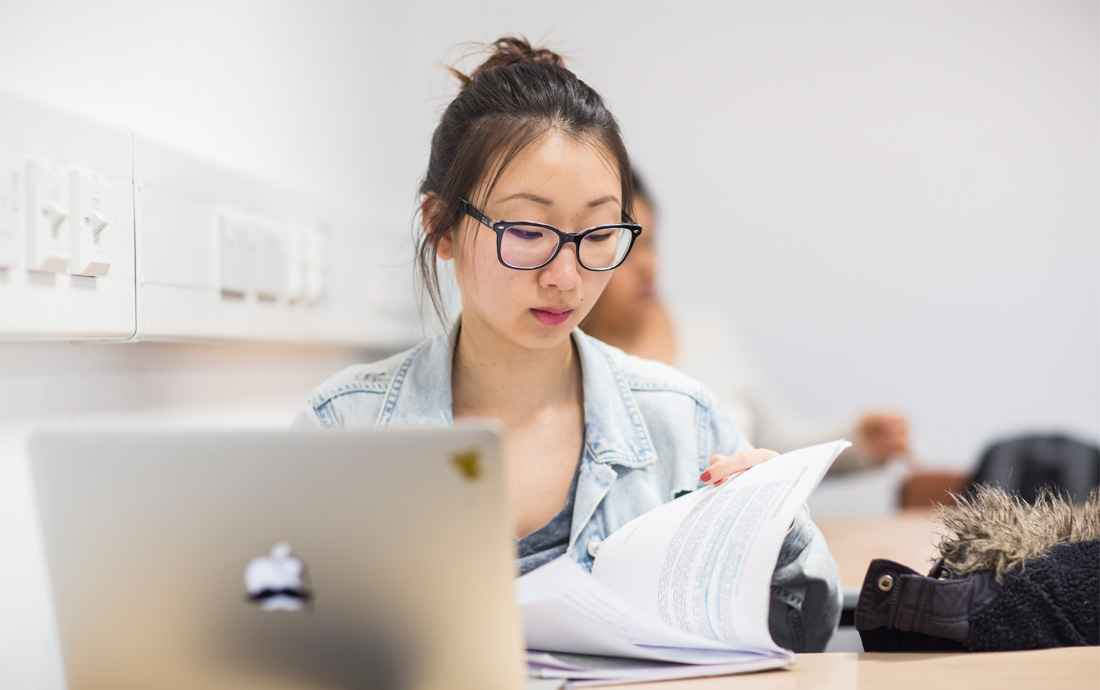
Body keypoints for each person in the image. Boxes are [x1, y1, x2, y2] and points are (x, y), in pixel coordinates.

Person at [294, 37, 841, 652]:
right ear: (440, 225)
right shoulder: (345, 427)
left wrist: (777, 525)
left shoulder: (682, 422)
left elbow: (804, 629)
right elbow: (269, 641)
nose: (566, 277)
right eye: (528, 231)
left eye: (598, 232)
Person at [581, 173, 910, 474]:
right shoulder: (570, 365)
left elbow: (773, 446)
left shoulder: (706, 330)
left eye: (650, 243)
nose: (647, 266)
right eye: (627, 248)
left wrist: (856, 443)